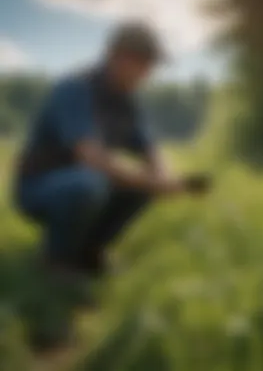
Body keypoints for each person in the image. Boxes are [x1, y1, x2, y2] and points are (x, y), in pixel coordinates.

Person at [14, 22, 204, 281]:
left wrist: (162, 176)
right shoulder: (75, 88)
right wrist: (148, 179)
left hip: (82, 182)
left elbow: (149, 148)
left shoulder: (127, 101)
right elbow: (89, 156)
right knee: (88, 183)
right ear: (118, 57)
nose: (148, 73)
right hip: (40, 187)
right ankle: (56, 261)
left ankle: (89, 252)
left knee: (132, 185)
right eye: (144, 63)